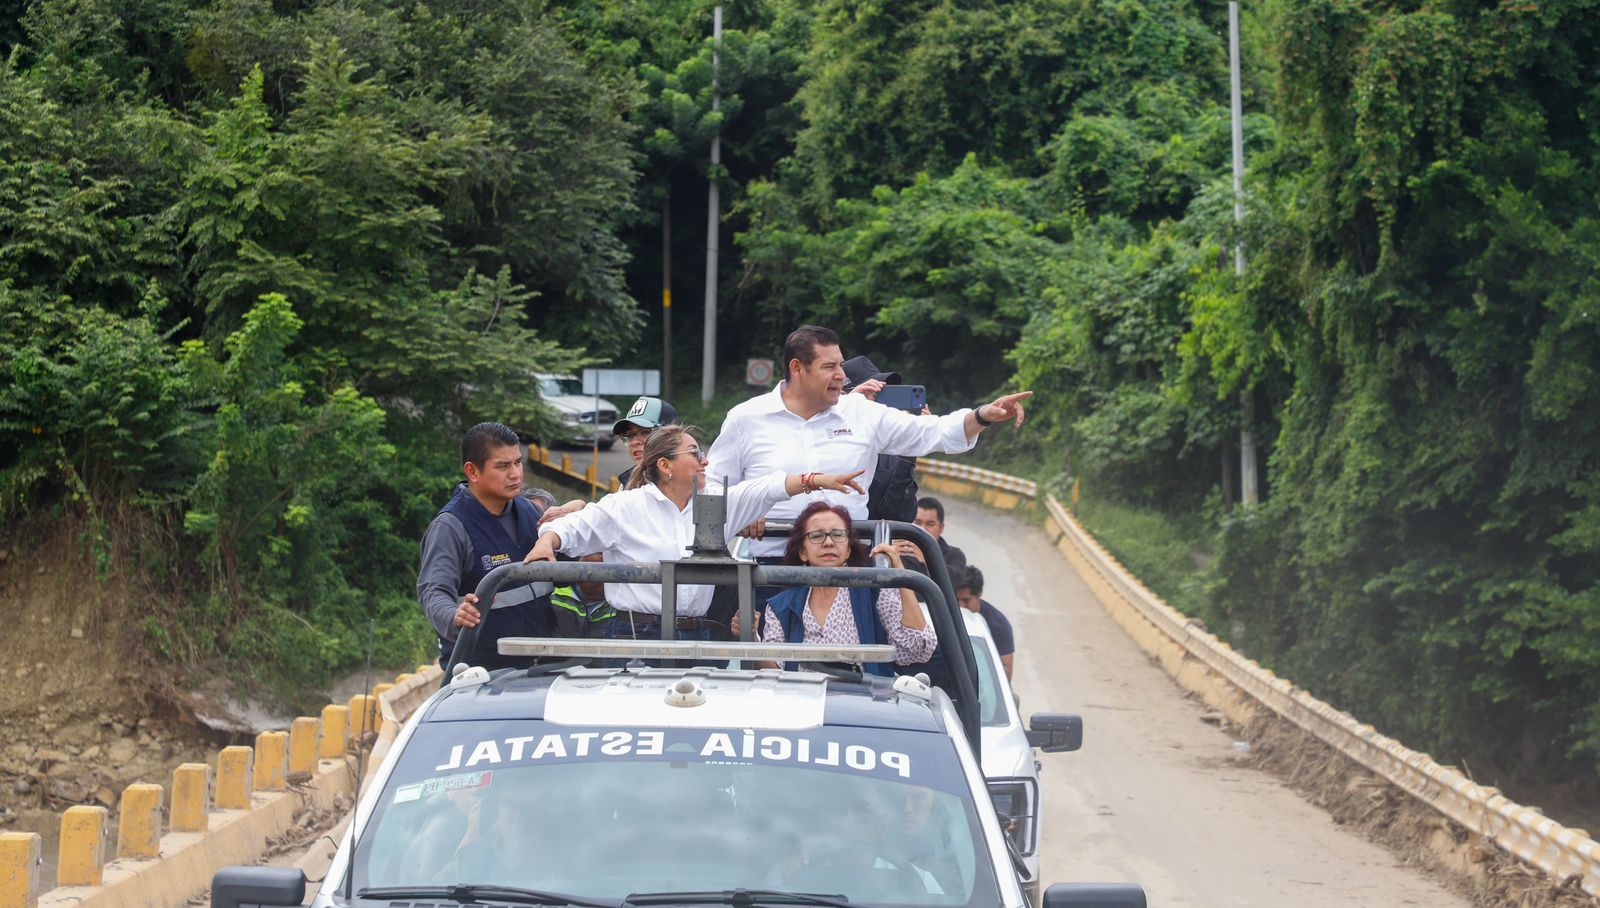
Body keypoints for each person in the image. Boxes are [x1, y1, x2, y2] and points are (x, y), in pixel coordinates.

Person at [706, 325, 1032, 560]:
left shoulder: (862, 412)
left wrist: (983, 415)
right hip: (772, 569)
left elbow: (929, 432)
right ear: (797, 368)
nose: (840, 376)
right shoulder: (745, 418)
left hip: (850, 569)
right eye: (829, 367)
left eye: (840, 365)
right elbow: (712, 492)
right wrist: (745, 510)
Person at [524, 426, 868, 643]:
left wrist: (817, 480)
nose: (704, 461)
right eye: (694, 453)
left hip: (699, 635)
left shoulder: (719, 504)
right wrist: (545, 544)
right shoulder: (624, 506)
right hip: (634, 635)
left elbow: (768, 488)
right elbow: (567, 528)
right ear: (665, 465)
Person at [417, 422, 554, 672]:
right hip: (479, 678)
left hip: (539, 671)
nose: (515, 474)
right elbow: (433, 591)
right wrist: (454, 616)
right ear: (472, 471)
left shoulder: (532, 512)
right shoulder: (450, 527)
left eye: (517, 462)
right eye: (502, 466)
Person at [756, 502, 936, 674]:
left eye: (838, 535)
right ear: (803, 552)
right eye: (817, 536)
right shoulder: (781, 606)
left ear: (848, 549)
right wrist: (751, 636)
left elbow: (917, 647)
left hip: (864, 703)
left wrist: (899, 571)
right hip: (804, 703)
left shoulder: (875, 592)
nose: (828, 543)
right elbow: (775, 677)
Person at [841, 355, 920, 524]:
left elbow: (899, 517)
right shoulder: (821, 439)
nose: (879, 402)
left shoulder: (889, 451)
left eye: (883, 393)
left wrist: (909, 451)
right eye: (871, 392)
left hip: (872, 547)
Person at [955, 566, 1014, 679]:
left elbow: (1006, 670)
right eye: (956, 600)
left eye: (966, 600)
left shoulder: (999, 625)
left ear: (979, 595)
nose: (960, 606)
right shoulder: (940, 615)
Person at [896, 495, 968, 581]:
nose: (922, 529)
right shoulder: (900, 549)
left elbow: (953, 580)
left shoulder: (954, 555)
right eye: (917, 523)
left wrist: (926, 562)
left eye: (930, 524)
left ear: (941, 528)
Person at [612, 396, 678, 487]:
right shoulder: (629, 481)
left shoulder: (692, 479)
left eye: (645, 432)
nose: (634, 442)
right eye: (630, 435)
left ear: (671, 436)